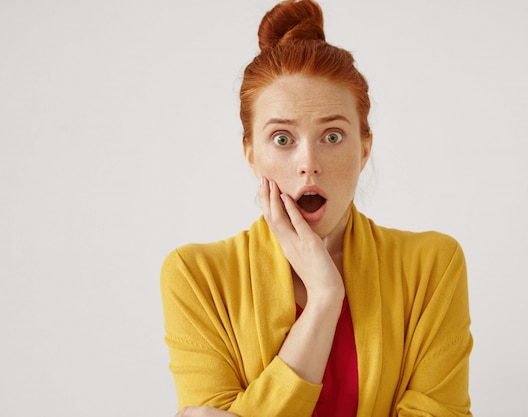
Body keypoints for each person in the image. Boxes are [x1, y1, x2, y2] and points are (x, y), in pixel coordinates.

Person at [160, 0, 473, 416]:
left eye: (332, 136)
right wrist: (325, 298)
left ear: (364, 148)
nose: (309, 162)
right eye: (283, 139)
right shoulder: (196, 276)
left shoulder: (432, 266)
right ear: (250, 154)